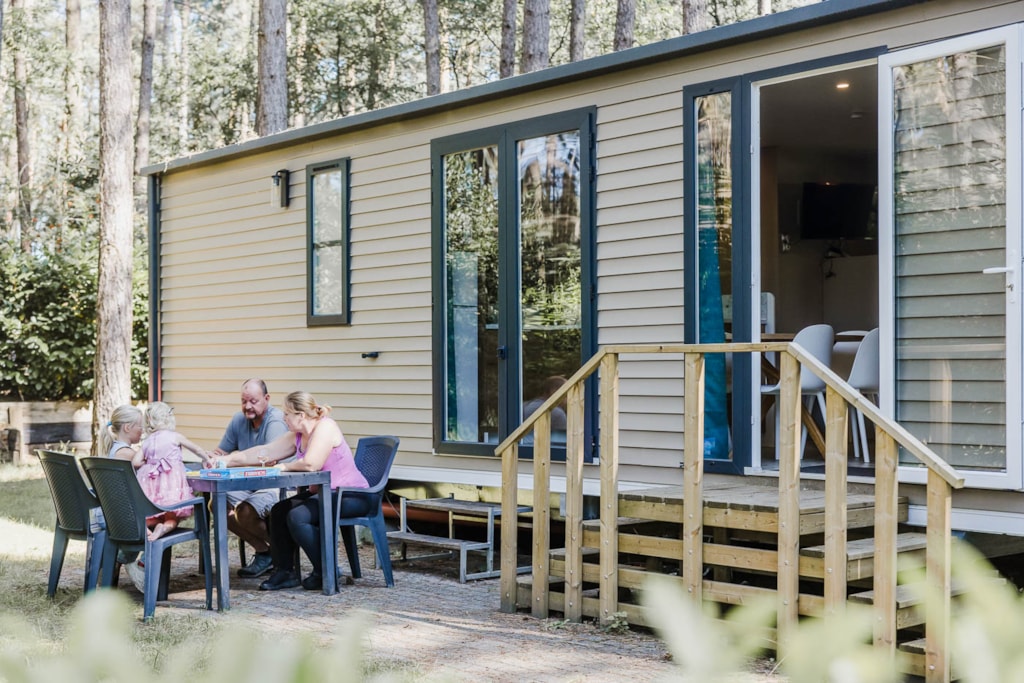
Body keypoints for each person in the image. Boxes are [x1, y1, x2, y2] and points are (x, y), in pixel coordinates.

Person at [222, 391, 368, 591]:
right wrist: (227, 460)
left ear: (300, 415)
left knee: (297, 516)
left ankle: (325, 571)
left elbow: (311, 464)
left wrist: (284, 466)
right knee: (279, 511)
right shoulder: (297, 436)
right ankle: (285, 573)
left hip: (352, 495)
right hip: (323, 494)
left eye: (287, 414)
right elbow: (265, 452)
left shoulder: (326, 427)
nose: (284, 418)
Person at [211, 378, 289, 578]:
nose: (247, 407)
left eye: (253, 401)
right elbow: (221, 452)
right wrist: (212, 458)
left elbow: (269, 460)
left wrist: (231, 461)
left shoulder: (275, 421)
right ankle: (265, 551)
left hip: (279, 484)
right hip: (250, 484)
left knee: (245, 510)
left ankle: (286, 553)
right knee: (217, 504)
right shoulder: (239, 420)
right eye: (244, 401)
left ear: (267, 398)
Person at [133, 401, 213, 541]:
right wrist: (206, 459)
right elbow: (196, 449)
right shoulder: (175, 436)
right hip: (171, 486)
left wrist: (151, 463)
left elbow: (135, 462)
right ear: (169, 418)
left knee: (152, 515)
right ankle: (164, 528)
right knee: (172, 517)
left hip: (151, 487)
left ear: (149, 421)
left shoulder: (148, 441)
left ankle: (146, 528)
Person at [97, 404, 146, 591]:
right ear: (127, 428)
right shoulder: (127, 454)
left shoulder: (115, 449)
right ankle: (133, 563)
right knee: (163, 519)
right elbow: (150, 464)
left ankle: (119, 561)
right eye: (140, 426)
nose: (143, 430)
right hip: (126, 520)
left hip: (116, 514)